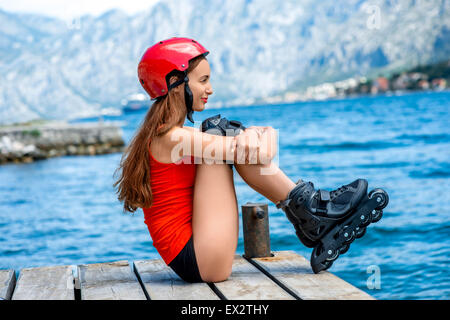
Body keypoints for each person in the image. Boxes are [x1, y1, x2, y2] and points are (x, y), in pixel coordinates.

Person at [114, 37, 381, 282]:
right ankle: (311, 212)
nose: (210, 89)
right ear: (175, 83)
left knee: (223, 132)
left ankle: (312, 213)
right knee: (220, 131)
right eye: (203, 80)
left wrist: (249, 135)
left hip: (201, 254)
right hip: (202, 260)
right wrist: (254, 134)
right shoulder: (172, 138)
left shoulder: (172, 136)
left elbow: (250, 150)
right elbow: (257, 153)